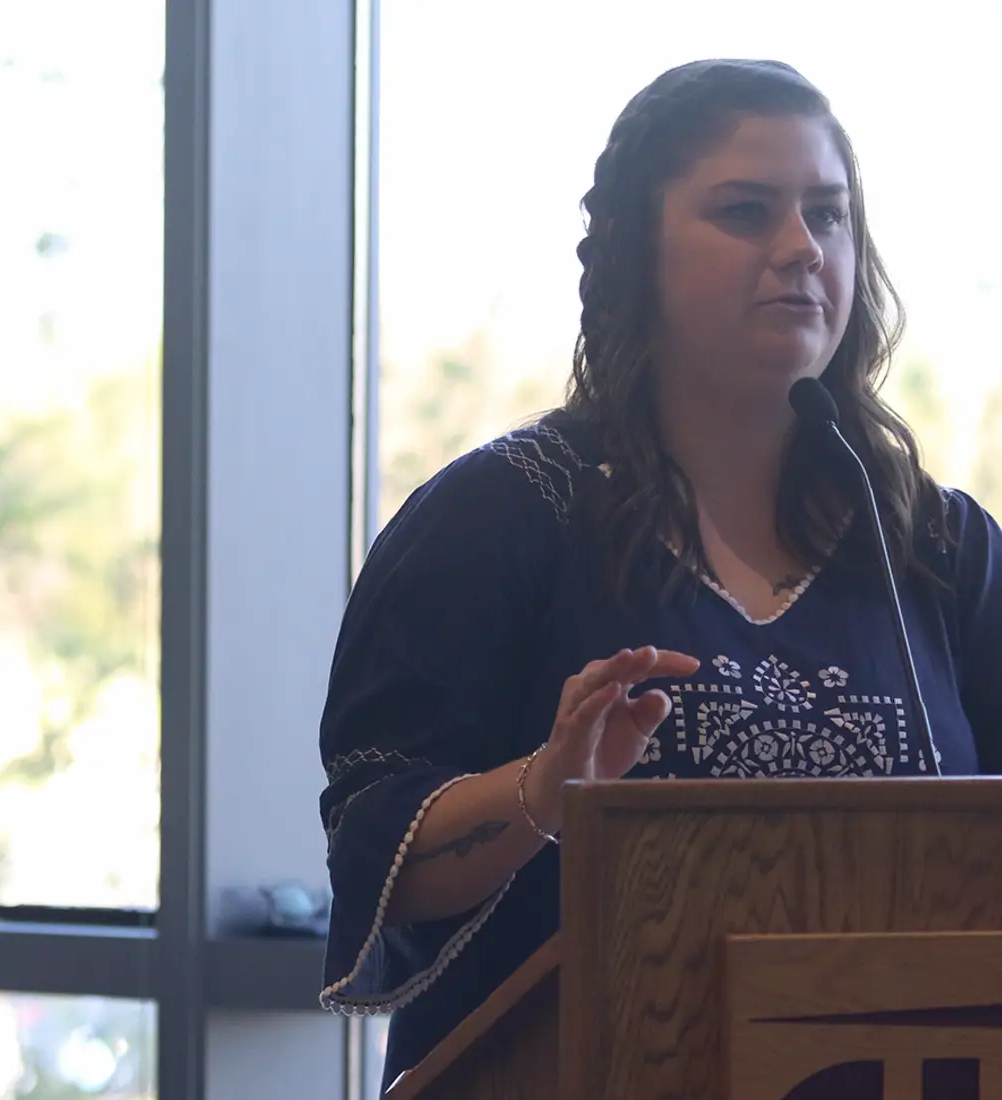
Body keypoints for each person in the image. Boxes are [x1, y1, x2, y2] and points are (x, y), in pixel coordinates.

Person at [316, 58, 1002, 1092]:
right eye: (743, 211)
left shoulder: (930, 543)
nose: (799, 250)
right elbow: (381, 861)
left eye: (827, 215)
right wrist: (541, 791)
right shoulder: (501, 515)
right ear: (635, 254)